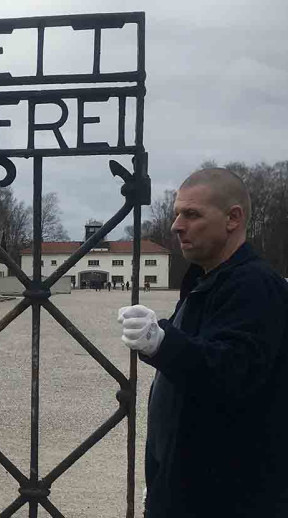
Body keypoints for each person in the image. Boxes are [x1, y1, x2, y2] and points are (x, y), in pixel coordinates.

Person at [117, 168, 288, 517]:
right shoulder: (208, 281)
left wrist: (162, 344)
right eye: (178, 213)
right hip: (190, 490)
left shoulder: (254, 286)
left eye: (191, 214)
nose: (176, 225)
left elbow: (233, 372)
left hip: (227, 500)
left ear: (233, 218)